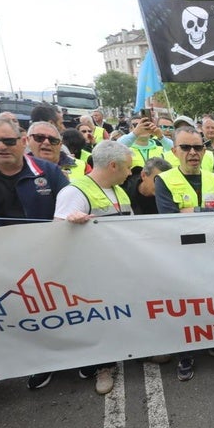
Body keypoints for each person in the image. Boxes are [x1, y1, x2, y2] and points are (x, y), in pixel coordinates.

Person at [0, 114, 69, 396]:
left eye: (8, 140)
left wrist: (76, 216)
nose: (1, 147)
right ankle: (37, 362)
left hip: (48, 259)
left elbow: (69, 204)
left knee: (55, 310)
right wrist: (7, 244)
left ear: (22, 142)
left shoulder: (49, 172)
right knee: (15, 314)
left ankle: (74, 356)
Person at [48, 140, 134, 394]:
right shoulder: (75, 192)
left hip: (120, 268)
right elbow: (55, 236)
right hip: (92, 274)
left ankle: (139, 352)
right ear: (113, 165)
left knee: (126, 313)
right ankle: (102, 367)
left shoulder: (118, 190)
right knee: (99, 319)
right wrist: (69, 223)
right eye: (128, 167)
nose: (131, 173)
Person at [155, 126, 214, 380]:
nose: (192, 153)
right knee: (185, 306)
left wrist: (191, 211)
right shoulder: (164, 181)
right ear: (175, 150)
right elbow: (170, 219)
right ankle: (185, 354)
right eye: (186, 147)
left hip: (213, 253)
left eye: (198, 147)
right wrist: (209, 211)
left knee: (213, 300)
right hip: (180, 256)